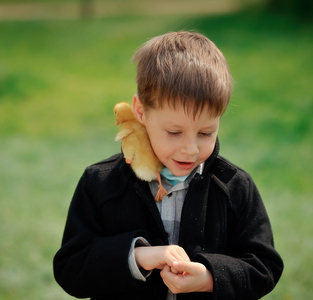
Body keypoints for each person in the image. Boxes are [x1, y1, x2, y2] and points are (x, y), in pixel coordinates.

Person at [53, 31, 283, 300]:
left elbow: (264, 267)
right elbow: (70, 268)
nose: (191, 149)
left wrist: (210, 278)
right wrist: (136, 256)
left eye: (206, 133)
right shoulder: (101, 182)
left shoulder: (234, 187)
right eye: (174, 132)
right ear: (140, 111)